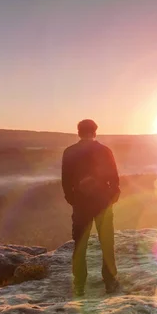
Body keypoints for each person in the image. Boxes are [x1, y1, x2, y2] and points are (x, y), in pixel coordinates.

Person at [61, 119, 121, 297]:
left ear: (78, 132)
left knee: (80, 245)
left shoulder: (69, 152)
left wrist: (73, 199)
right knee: (107, 243)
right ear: (95, 132)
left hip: (81, 204)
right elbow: (115, 179)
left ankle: (79, 284)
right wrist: (110, 197)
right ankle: (110, 282)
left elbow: (66, 181)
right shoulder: (105, 151)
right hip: (102, 203)